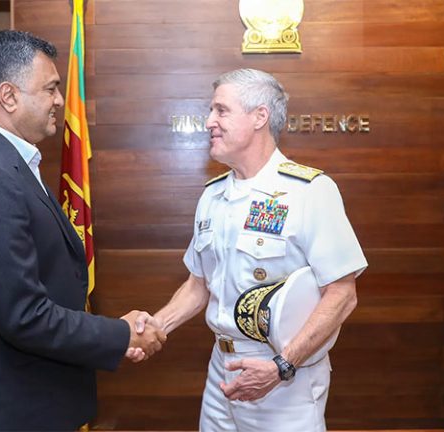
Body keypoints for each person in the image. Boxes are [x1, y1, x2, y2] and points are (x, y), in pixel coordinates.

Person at [0, 30, 166, 431]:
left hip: (35, 392)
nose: (60, 101)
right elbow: (23, 315)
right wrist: (120, 334)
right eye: (50, 89)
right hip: (11, 405)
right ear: (9, 96)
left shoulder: (9, 159)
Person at [141, 69, 368, 431]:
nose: (209, 121)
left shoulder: (310, 191)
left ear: (259, 116)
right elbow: (198, 285)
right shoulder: (213, 195)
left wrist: (282, 365)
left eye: (221, 110)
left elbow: (342, 294)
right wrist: (156, 325)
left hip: (283, 378)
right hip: (221, 370)